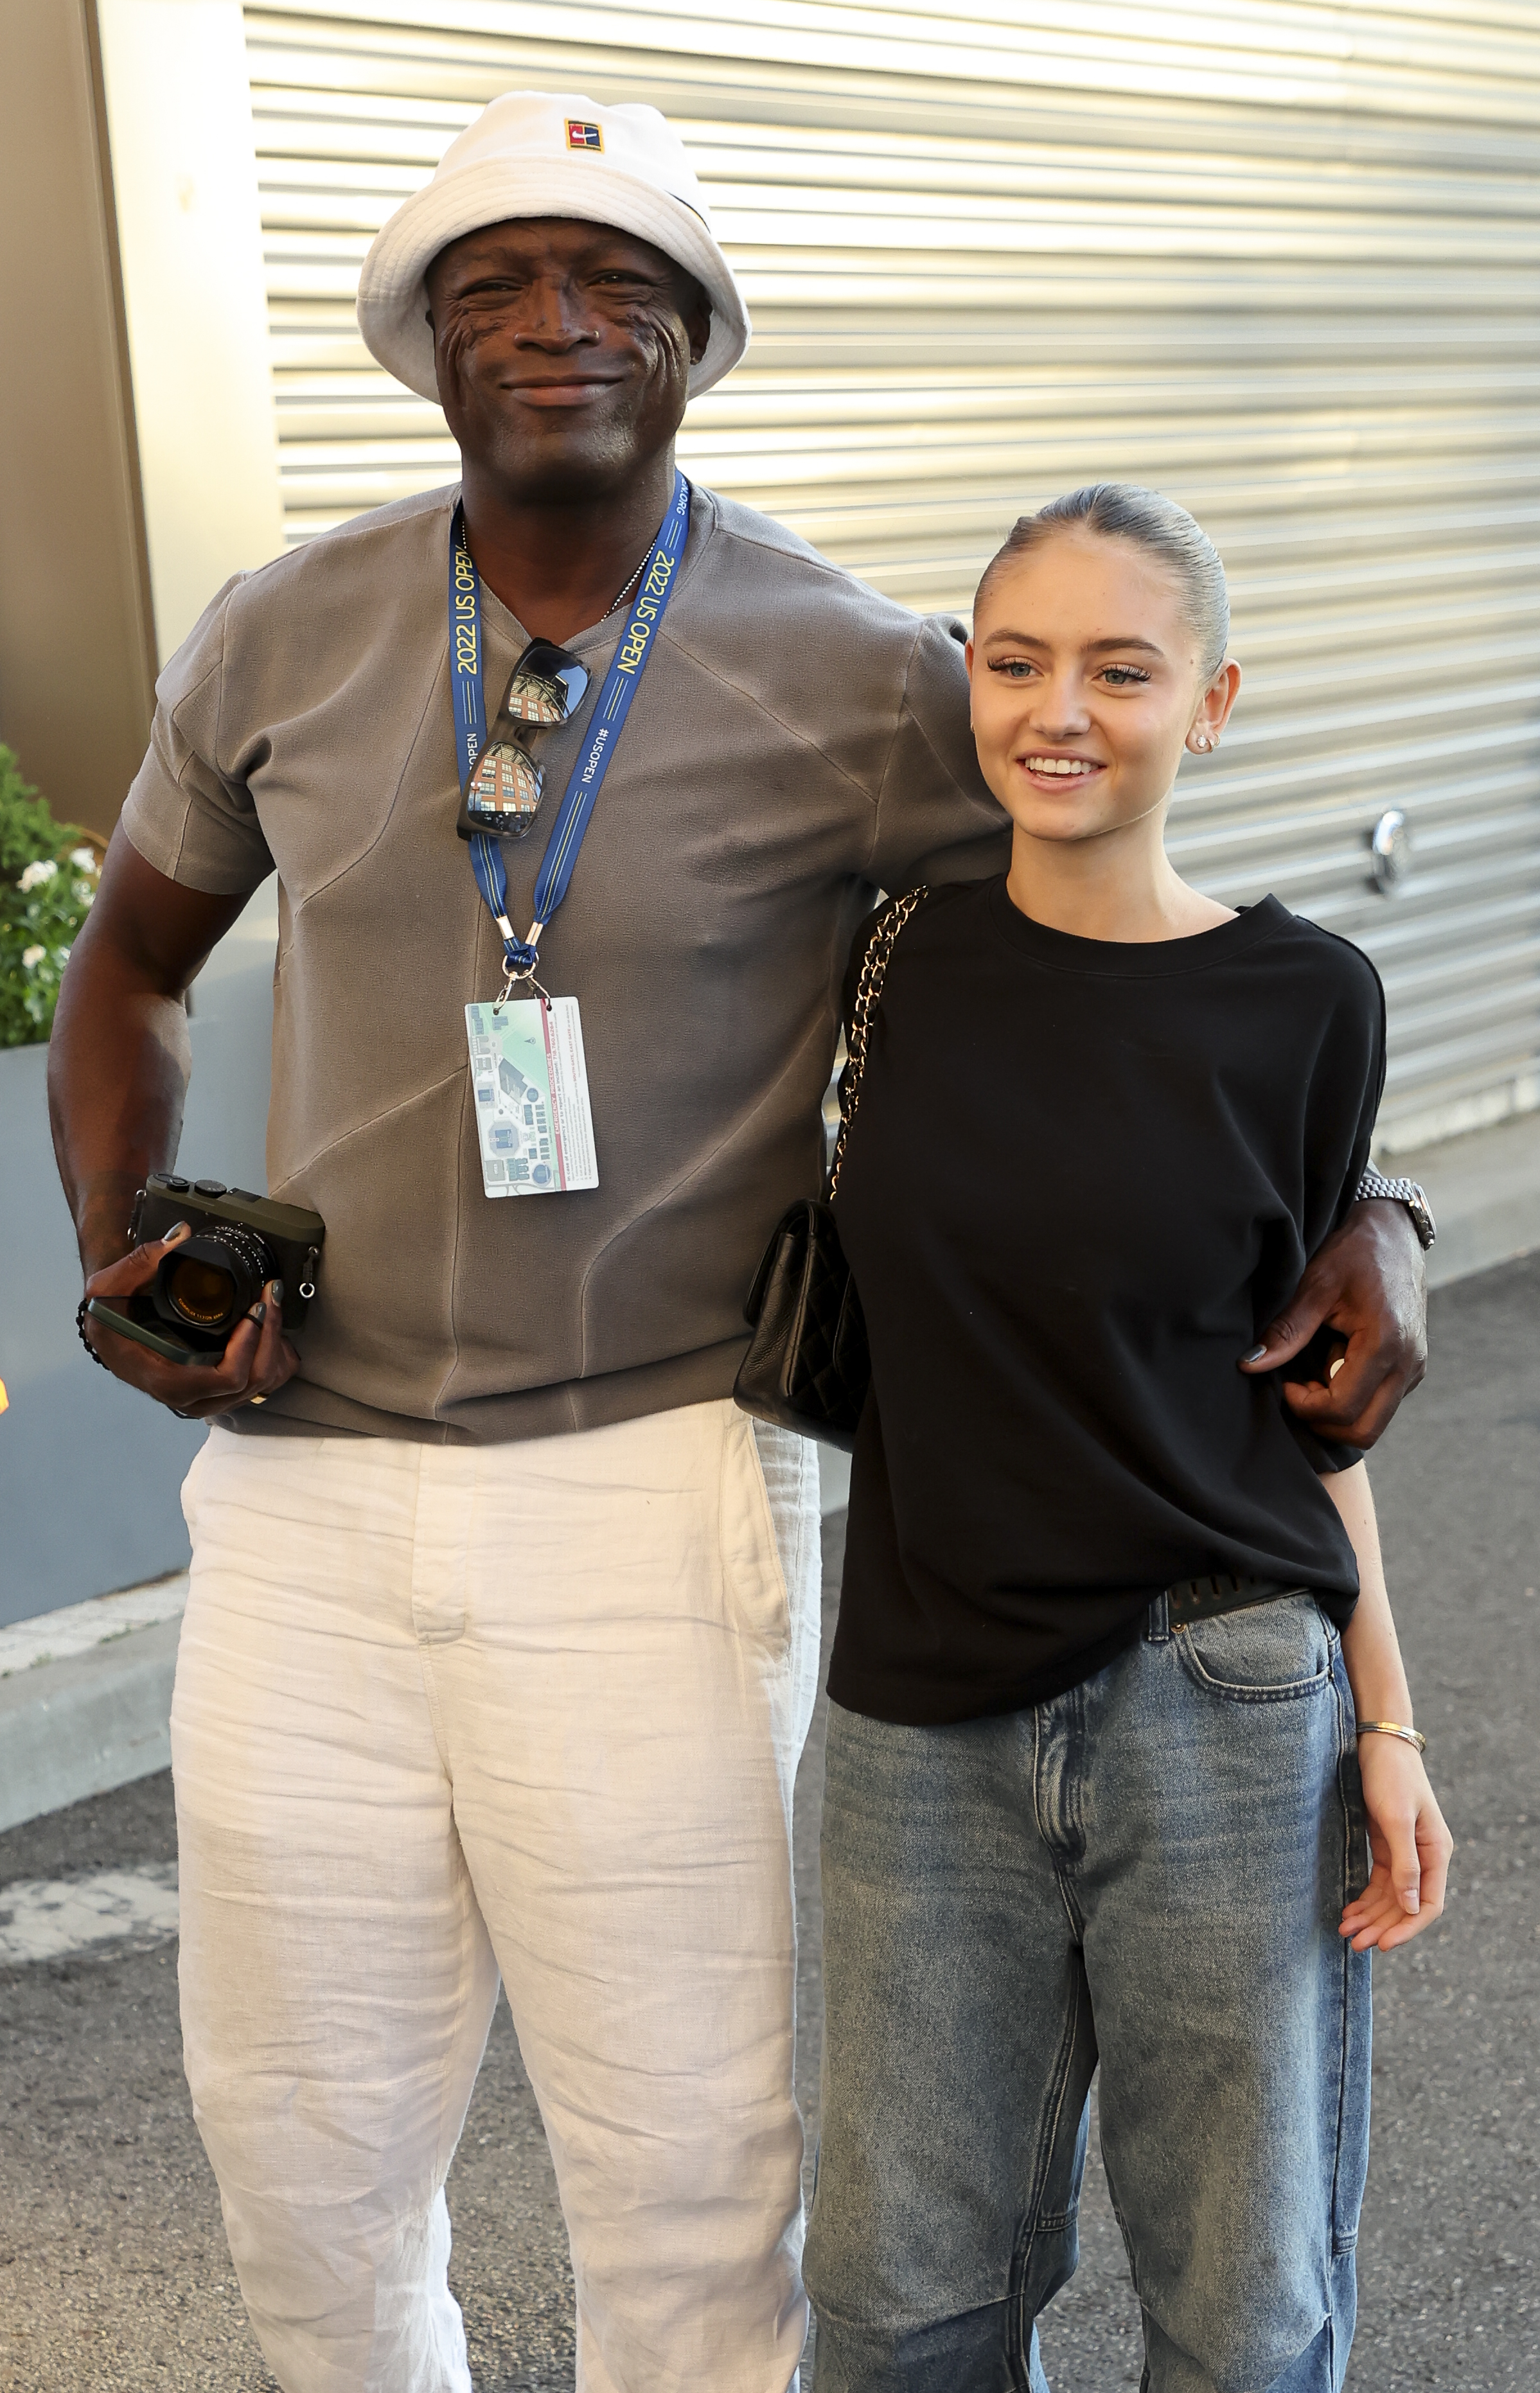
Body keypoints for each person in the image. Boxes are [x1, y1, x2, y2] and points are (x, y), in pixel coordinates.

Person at [48, 85, 1428, 2393]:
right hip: (294, 1501)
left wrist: (1366, 1197)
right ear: (423, 344)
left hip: (646, 1482)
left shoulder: (862, 669)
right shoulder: (281, 631)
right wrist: (120, 1246)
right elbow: (129, 971)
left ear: (697, 341)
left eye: (615, 287)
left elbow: (1134, 954)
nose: (554, 327)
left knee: (690, 2181)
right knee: (298, 2150)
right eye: (494, 287)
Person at [802, 484, 1453, 2393]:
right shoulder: (895, 955)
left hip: (1227, 1692)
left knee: (1246, 2314)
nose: (1058, 708)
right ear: (969, 680)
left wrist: (1390, 1719)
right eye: (1015, 662)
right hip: (918, 1714)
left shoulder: (1307, 999)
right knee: (893, 2303)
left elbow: (1323, 1389)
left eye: (1121, 667)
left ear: (1214, 700)